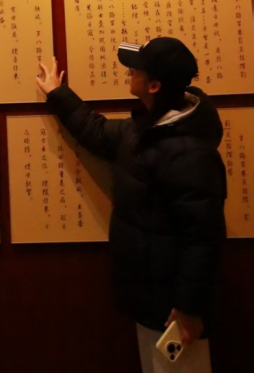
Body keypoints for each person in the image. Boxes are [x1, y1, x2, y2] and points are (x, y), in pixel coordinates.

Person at [37, 37, 226, 373]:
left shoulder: (191, 153)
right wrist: (57, 92)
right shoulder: (143, 130)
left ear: (153, 86)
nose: (129, 72)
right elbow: (95, 131)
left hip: (174, 309)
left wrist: (188, 307)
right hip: (149, 295)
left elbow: (204, 239)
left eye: (136, 70)